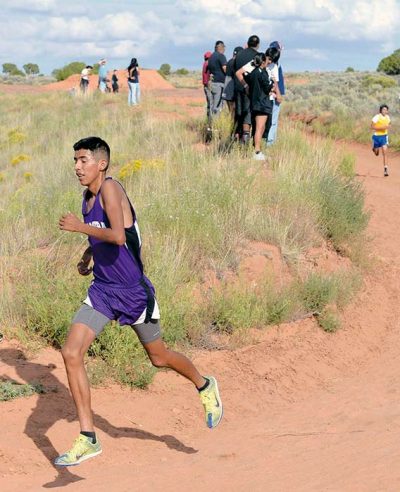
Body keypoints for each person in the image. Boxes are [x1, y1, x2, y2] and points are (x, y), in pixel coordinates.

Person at [55, 137, 223, 466]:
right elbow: (103, 234)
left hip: (133, 292)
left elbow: (118, 235)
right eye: (75, 160)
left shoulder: (111, 190)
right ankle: (88, 437)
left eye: (83, 160)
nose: (77, 166)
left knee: (159, 358)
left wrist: (79, 229)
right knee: (71, 352)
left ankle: (205, 385)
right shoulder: (87, 197)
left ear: (101, 163)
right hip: (103, 290)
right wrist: (89, 253)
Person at [243, 54, 274, 160]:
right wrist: (272, 83)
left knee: (259, 127)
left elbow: (245, 76)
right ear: (262, 62)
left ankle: (257, 150)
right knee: (260, 128)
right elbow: (267, 88)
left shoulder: (253, 73)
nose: (268, 62)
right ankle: (257, 151)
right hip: (262, 104)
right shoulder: (262, 74)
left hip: (255, 103)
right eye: (266, 60)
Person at [235, 35, 261, 143]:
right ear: (258, 45)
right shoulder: (257, 56)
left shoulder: (239, 54)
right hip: (249, 88)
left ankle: (236, 138)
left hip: (238, 86)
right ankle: (244, 143)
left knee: (239, 114)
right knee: (247, 115)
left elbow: (235, 71)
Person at [266, 41, 285, 146]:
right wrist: (278, 94)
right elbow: (274, 81)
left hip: (268, 95)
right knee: (273, 121)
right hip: (273, 96)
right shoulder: (274, 64)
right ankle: (270, 143)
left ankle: (268, 141)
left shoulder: (265, 62)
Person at [263, 46, 282, 144]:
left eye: (272, 60)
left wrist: (277, 94)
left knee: (271, 121)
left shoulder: (274, 66)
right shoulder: (259, 62)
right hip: (260, 97)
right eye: (269, 58)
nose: (270, 61)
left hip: (270, 98)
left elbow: (275, 82)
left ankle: (269, 143)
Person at [206, 41, 227, 117]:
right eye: (224, 47)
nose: (224, 49)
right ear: (221, 47)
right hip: (219, 84)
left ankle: (210, 125)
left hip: (212, 83)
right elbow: (225, 69)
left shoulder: (211, 57)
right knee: (217, 107)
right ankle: (216, 127)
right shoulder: (221, 56)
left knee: (212, 106)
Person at [223, 46, 243, 119]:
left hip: (227, 88)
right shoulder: (236, 63)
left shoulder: (229, 61)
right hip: (232, 89)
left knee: (231, 111)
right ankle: (233, 128)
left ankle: (231, 127)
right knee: (234, 111)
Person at [371, 104, 391, 176]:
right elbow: (372, 126)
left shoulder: (387, 117)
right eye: (383, 110)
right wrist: (381, 128)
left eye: (386, 110)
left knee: (385, 152)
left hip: (384, 137)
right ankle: (374, 148)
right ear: (380, 110)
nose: (385, 111)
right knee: (376, 153)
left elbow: (389, 124)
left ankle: (385, 170)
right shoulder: (377, 117)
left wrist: (388, 126)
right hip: (376, 137)